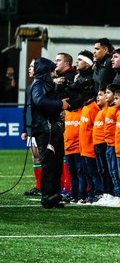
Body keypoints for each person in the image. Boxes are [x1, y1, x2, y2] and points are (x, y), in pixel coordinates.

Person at [26, 57, 70, 208]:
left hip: (52, 129)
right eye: (51, 71)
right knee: (49, 163)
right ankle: (47, 196)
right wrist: (60, 104)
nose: (53, 73)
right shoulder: (38, 84)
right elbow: (40, 101)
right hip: (45, 130)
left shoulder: (44, 84)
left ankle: (54, 195)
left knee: (56, 162)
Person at [22, 59, 42, 197]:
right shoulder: (30, 87)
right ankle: (38, 186)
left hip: (40, 128)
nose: (29, 69)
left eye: (32, 66)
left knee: (42, 157)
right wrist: (25, 129)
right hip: (31, 129)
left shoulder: (42, 86)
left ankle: (47, 186)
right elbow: (26, 109)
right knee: (35, 158)